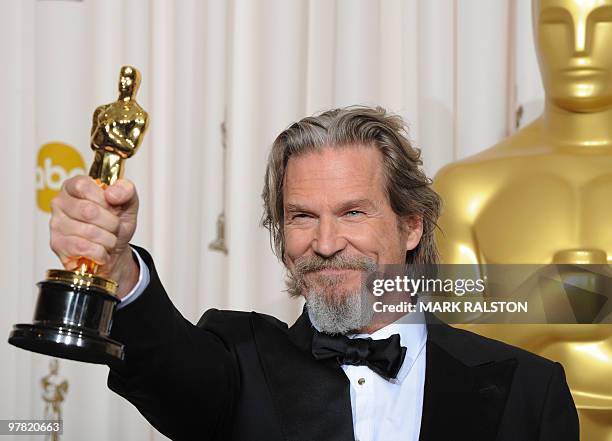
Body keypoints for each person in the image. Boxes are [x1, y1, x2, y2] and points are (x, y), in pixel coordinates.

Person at [49, 106, 579, 441]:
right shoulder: (238, 363)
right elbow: (166, 362)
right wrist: (115, 268)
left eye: (353, 212)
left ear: (412, 225)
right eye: (302, 216)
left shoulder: (527, 390)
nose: (325, 245)